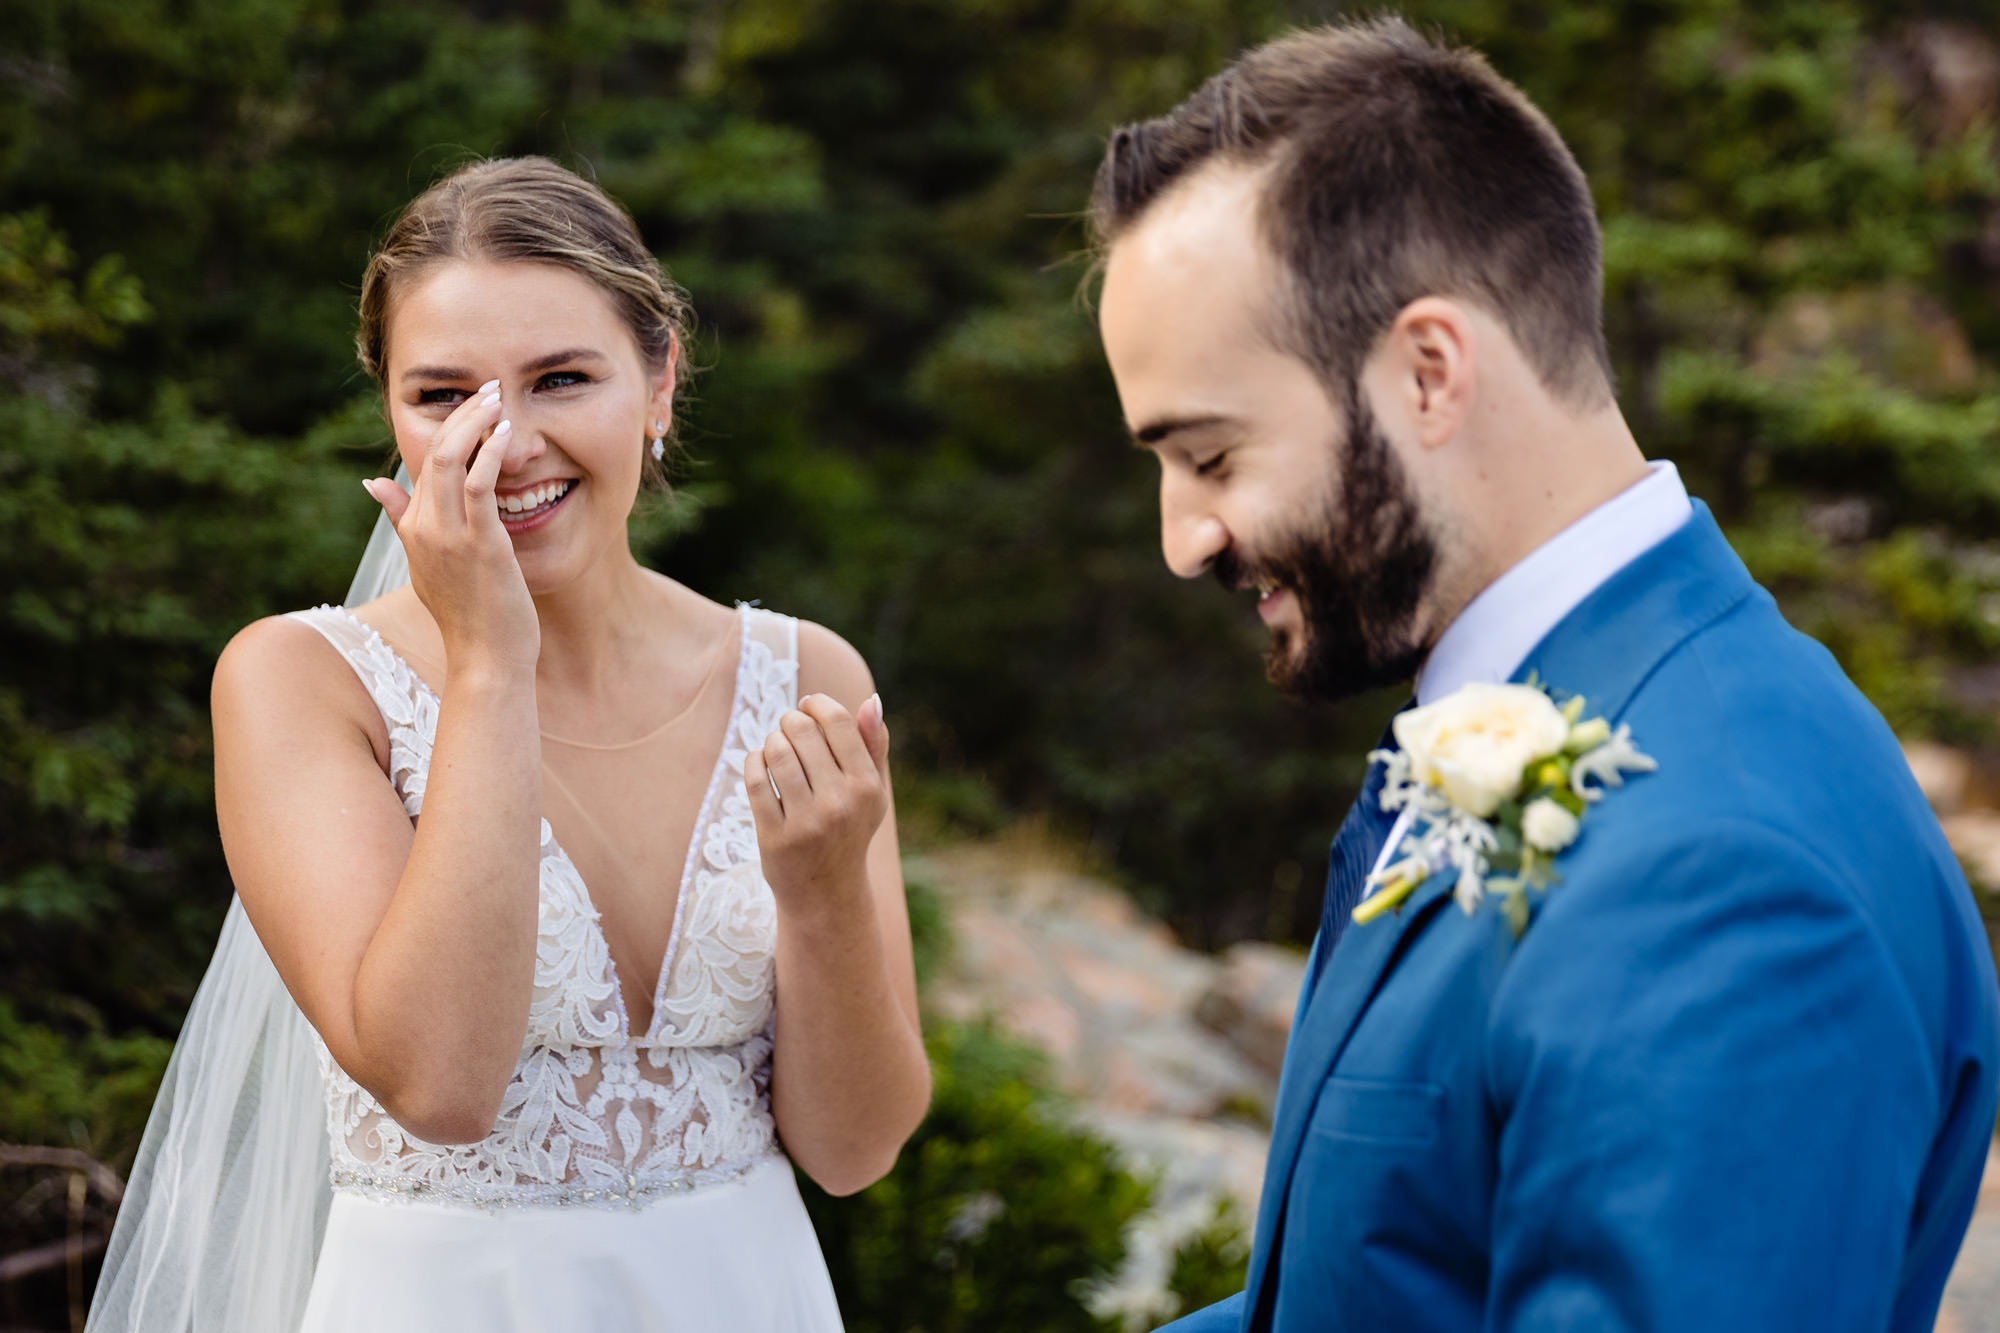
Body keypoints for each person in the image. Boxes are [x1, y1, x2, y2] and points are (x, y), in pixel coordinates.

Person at [1090, 18, 1999, 1333]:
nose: (1183, 541)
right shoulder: (1579, 705)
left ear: (1428, 373)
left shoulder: (1728, 878)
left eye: (1212, 457)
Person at [88, 156, 929, 1332]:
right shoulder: (299, 681)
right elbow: (438, 1081)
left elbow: (853, 1152)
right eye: (443, 396)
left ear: (659, 383)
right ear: (390, 412)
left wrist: (826, 890)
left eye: (562, 378)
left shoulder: (806, 679)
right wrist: (490, 664)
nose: (507, 442)